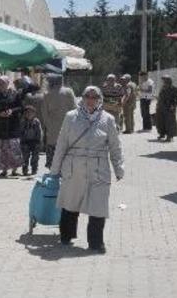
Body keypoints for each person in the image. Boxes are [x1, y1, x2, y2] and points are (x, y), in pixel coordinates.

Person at [50, 86, 124, 253]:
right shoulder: (71, 117)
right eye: (87, 96)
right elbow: (61, 144)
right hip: (74, 166)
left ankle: (96, 243)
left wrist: (119, 168)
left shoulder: (108, 119)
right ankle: (66, 236)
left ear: (100, 99)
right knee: (70, 203)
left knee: (98, 206)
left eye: (94, 96)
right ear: (82, 98)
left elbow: (115, 146)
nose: (91, 100)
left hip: (98, 168)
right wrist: (55, 169)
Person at [0, 75, 23, 177]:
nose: (1, 85)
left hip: (12, 126)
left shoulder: (15, 94)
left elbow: (21, 107)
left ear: (8, 83)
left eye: (3, 83)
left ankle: (14, 170)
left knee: (13, 148)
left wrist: (12, 111)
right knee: (3, 150)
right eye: (0, 83)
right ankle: (4, 170)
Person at [41, 74, 77, 169]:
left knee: (53, 149)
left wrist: (48, 125)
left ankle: (53, 170)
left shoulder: (47, 94)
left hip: (52, 127)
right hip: (68, 125)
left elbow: (44, 113)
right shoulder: (68, 92)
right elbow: (75, 108)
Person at [156, 75, 177, 142]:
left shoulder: (174, 89)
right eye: (163, 80)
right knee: (161, 122)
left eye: (165, 80)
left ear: (169, 81)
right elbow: (160, 97)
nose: (163, 81)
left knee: (170, 123)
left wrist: (173, 105)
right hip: (161, 107)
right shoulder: (163, 88)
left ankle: (170, 136)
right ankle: (162, 134)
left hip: (169, 108)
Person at [20, 105, 43, 176]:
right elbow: (20, 131)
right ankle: (25, 169)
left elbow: (39, 131)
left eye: (31, 113)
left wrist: (39, 141)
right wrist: (21, 141)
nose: (29, 114)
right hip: (25, 141)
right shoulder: (23, 122)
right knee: (25, 157)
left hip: (35, 141)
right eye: (27, 113)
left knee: (35, 157)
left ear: (34, 113)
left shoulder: (36, 121)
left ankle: (34, 169)